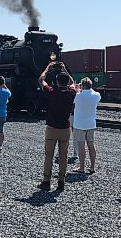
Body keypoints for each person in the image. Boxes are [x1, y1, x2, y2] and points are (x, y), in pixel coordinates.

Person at [37, 62, 76, 191]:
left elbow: (41, 80)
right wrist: (65, 69)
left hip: (52, 128)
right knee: (63, 157)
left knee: (49, 156)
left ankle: (46, 181)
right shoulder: (71, 93)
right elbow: (73, 83)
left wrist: (47, 68)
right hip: (65, 129)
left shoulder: (52, 92)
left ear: (57, 82)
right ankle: (61, 182)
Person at [72, 77, 101, 174]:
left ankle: (82, 167)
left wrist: (77, 89)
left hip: (79, 124)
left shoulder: (77, 96)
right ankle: (92, 167)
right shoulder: (97, 95)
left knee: (81, 145)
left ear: (82, 86)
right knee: (91, 145)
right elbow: (92, 92)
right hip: (91, 123)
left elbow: (75, 97)